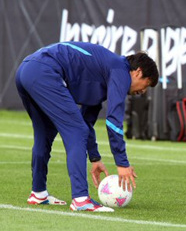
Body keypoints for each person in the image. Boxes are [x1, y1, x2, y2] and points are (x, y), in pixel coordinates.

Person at [16, 42, 159, 212]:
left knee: (45, 133)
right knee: (76, 131)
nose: (142, 92)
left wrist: (95, 158)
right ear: (138, 72)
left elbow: (86, 121)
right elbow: (113, 121)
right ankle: (81, 200)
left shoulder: (105, 74)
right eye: (146, 85)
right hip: (44, 71)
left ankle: (38, 193)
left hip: (27, 70)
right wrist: (122, 163)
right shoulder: (120, 70)